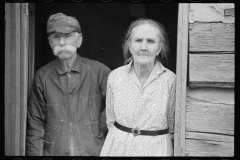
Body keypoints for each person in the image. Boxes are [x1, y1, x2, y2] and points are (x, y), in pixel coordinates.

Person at [26, 13, 111, 156]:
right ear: (49, 42)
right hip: (55, 150)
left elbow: (117, 105)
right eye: (56, 37)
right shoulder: (42, 76)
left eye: (67, 36)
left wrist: (98, 128)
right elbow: (36, 122)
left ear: (79, 40)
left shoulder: (99, 71)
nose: (61, 42)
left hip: (93, 150)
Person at [100, 18, 176, 156]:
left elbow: (172, 126)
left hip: (156, 150)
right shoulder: (115, 76)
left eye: (151, 41)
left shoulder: (170, 80)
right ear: (129, 46)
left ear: (159, 48)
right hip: (118, 148)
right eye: (138, 40)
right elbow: (111, 121)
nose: (143, 47)